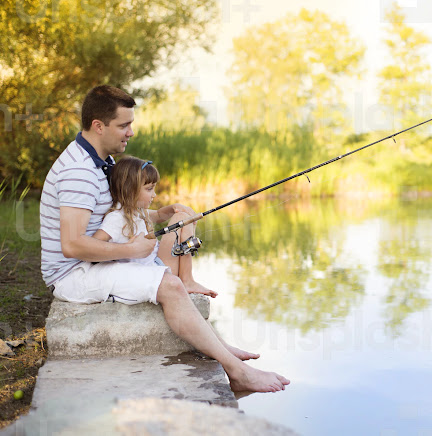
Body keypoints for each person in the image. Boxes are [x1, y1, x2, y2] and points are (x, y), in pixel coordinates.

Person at [40, 85, 290, 393]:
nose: (130, 131)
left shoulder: (99, 162)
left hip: (100, 258)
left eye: (130, 124)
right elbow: (73, 245)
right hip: (74, 273)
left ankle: (218, 344)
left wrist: (162, 214)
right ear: (98, 126)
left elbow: (119, 211)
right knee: (169, 285)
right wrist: (131, 248)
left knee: (178, 223)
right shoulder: (78, 171)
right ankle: (237, 371)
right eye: (123, 125)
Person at [91, 156, 216, 301]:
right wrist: (126, 249)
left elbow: (157, 215)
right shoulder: (116, 218)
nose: (154, 195)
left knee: (182, 215)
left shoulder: (135, 211)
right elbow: (95, 244)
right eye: (149, 189)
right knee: (183, 217)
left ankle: (186, 279)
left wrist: (173, 207)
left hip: (157, 264)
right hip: (154, 272)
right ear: (129, 189)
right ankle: (187, 281)